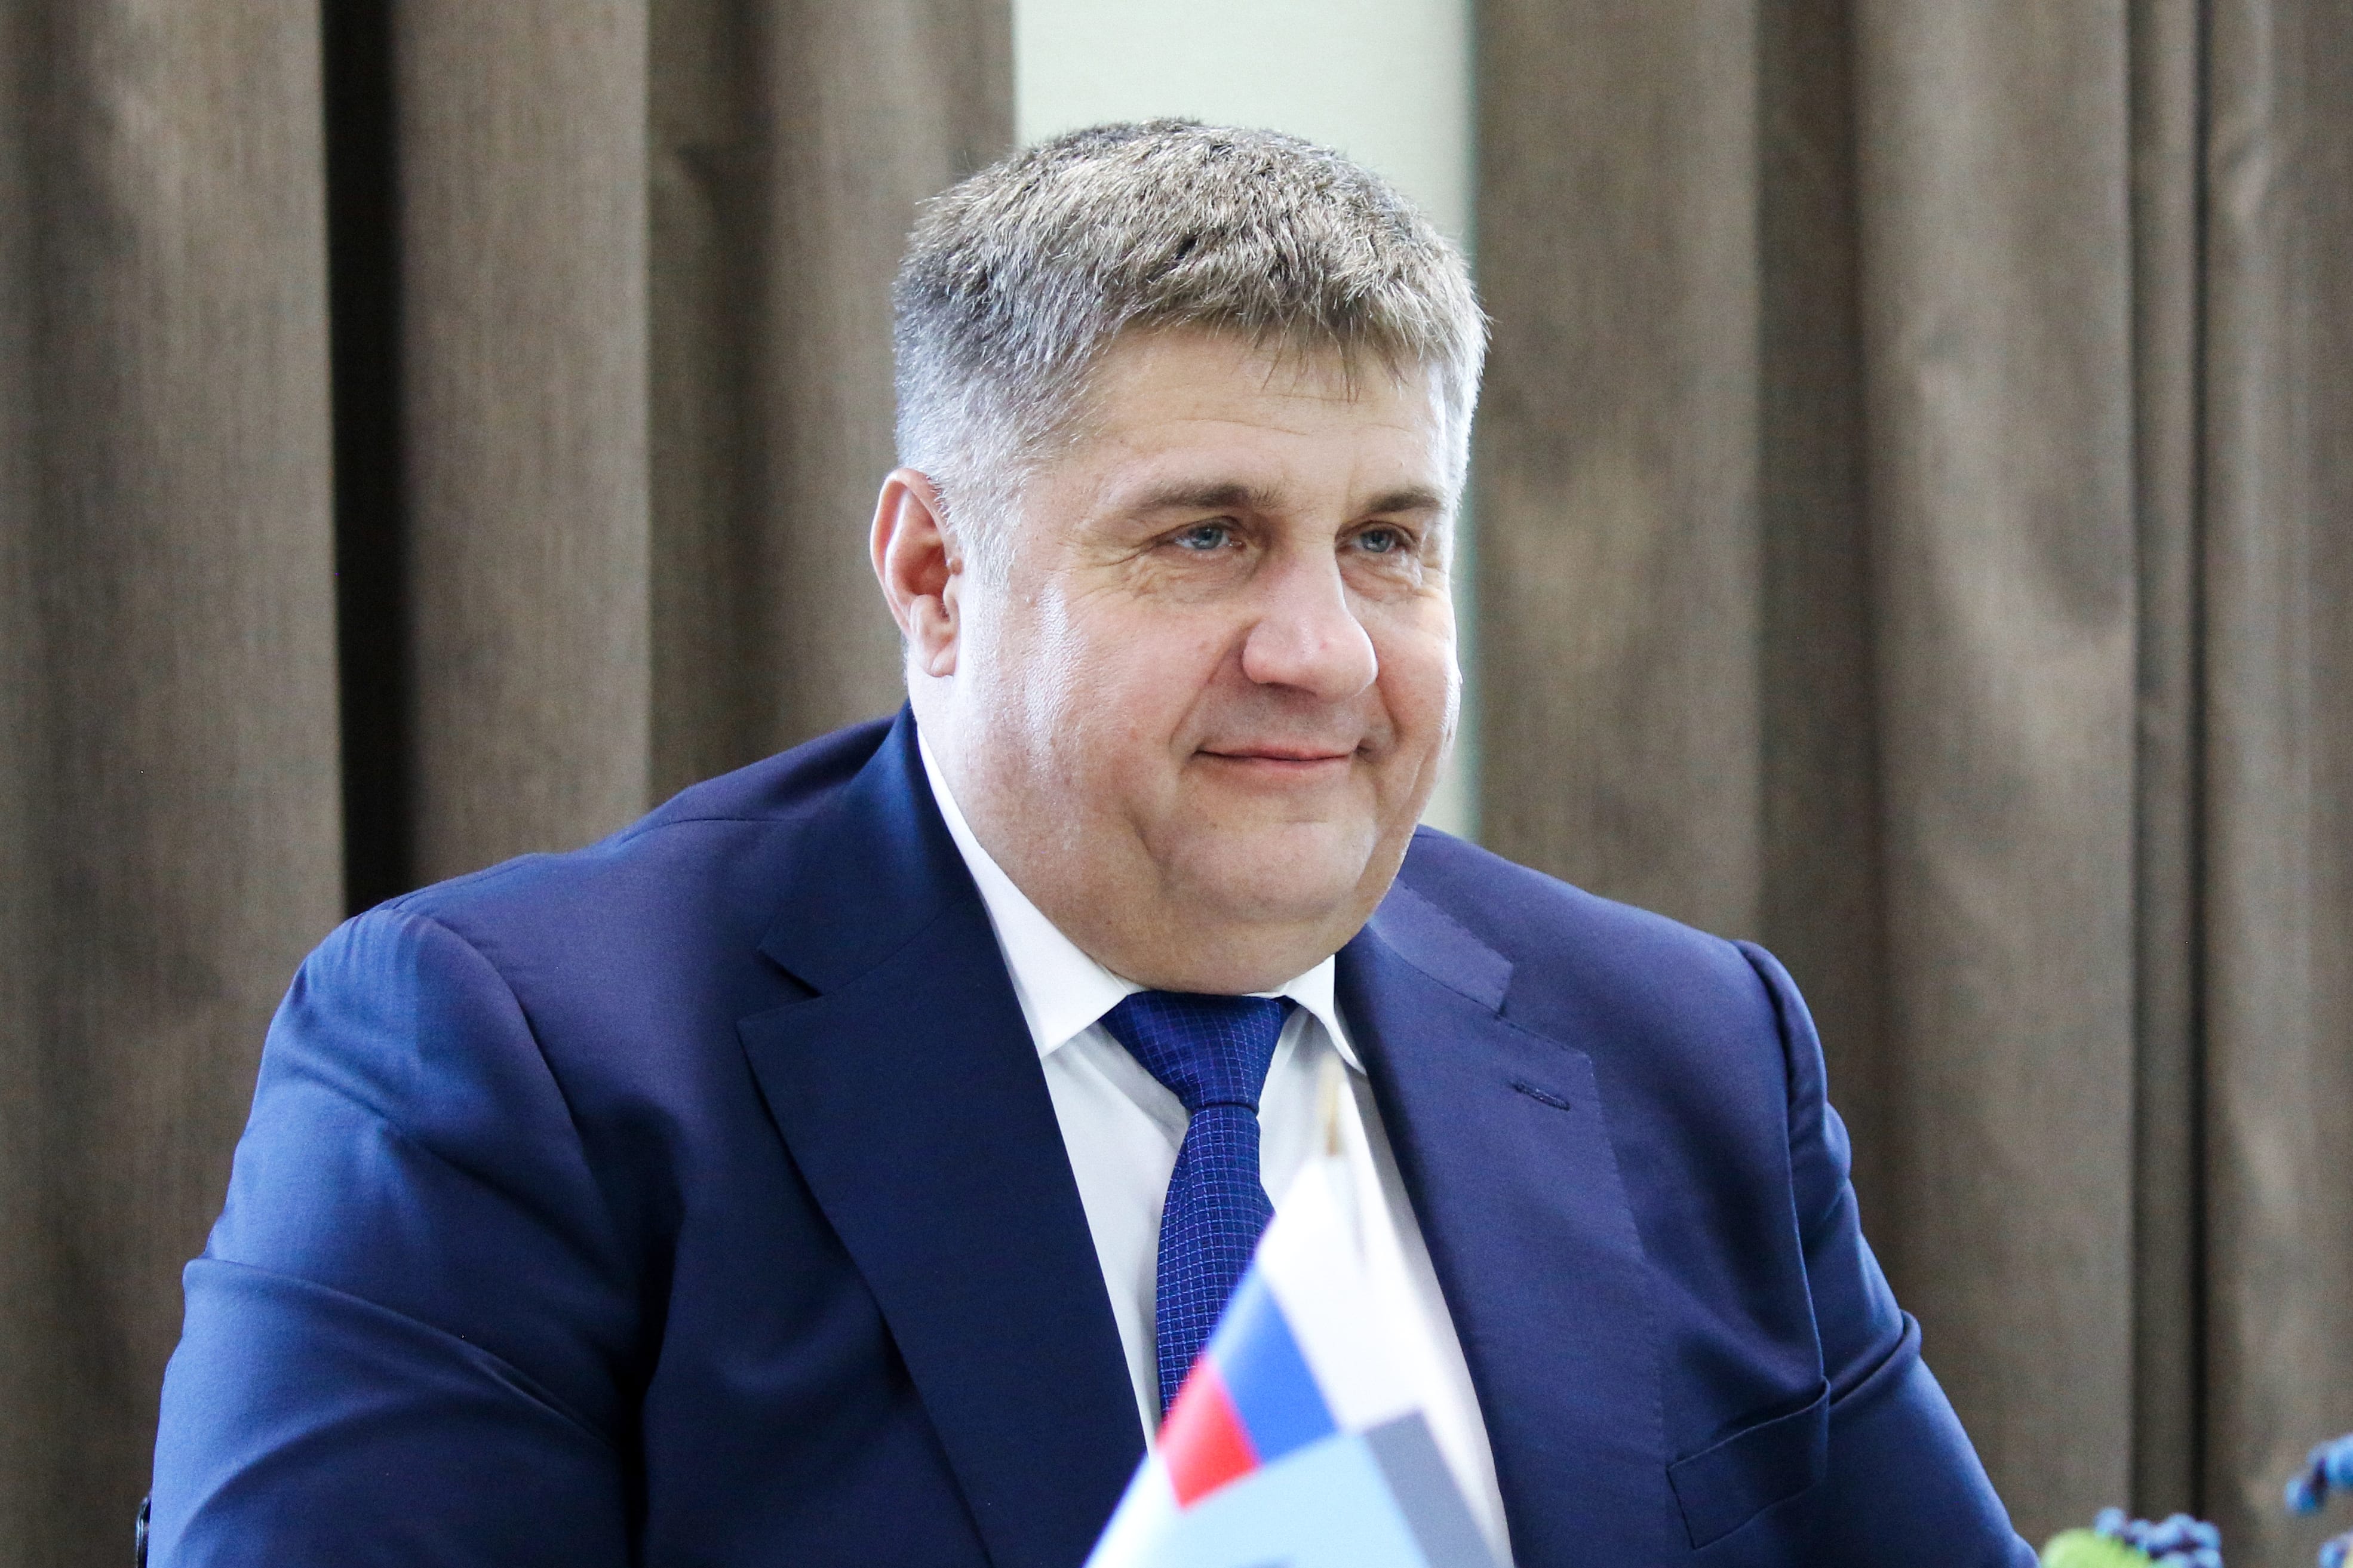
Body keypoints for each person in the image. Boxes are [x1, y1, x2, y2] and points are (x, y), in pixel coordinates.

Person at [148, 121, 2034, 1567]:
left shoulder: (1684, 1047)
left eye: (1385, 541)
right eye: (1205, 534)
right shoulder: (515, 1064)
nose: (1322, 652)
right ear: (933, 572)